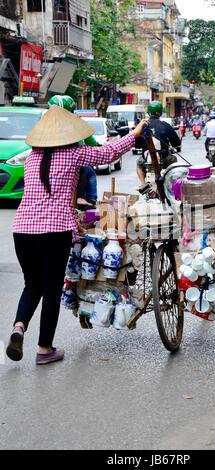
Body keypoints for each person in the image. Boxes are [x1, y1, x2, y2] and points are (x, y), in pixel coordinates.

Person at [6, 105, 148, 365]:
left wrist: (75, 224)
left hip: (23, 230)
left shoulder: (31, 158)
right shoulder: (72, 154)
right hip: (54, 233)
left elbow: (50, 198)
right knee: (50, 290)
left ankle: (18, 327)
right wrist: (135, 134)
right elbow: (109, 152)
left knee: (32, 284)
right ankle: (44, 349)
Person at [48, 95, 98, 210]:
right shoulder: (75, 122)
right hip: (72, 160)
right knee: (89, 173)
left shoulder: (46, 123)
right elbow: (91, 142)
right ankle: (88, 199)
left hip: (48, 160)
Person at [136, 101, 181, 188]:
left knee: (138, 165)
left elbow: (137, 144)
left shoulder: (142, 125)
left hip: (146, 159)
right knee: (174, 161)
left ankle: (143, 184)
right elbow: (176, 143)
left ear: (148, 112)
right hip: (164, 158)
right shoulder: (165, 125)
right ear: (160, 112)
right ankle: (172, 184)